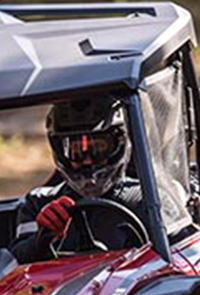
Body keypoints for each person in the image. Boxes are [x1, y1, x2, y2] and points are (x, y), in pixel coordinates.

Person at [11, 96, 147, 263]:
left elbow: (177, 257)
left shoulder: (146, 199)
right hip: (63, 287)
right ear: (60, 151)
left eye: (98, 148)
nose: (88, 161)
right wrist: (44, 237)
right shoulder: (39, 202)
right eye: (76, 151)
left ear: (118, 145)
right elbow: (16, 263)